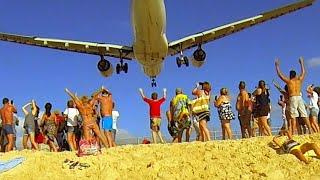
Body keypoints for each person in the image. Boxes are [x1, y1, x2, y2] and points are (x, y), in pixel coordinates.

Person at [275, 57, 312, 134]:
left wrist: (277, 66)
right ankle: (310, 130)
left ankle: (293, 132)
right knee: (304, 114)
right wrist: (301, 63)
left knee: (293, 115)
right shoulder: (299, 80)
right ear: (295, 75)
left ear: (290, 76)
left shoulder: (289, 81)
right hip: (299, 97)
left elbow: (280, 75)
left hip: (293, 97)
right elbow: (303, 72)